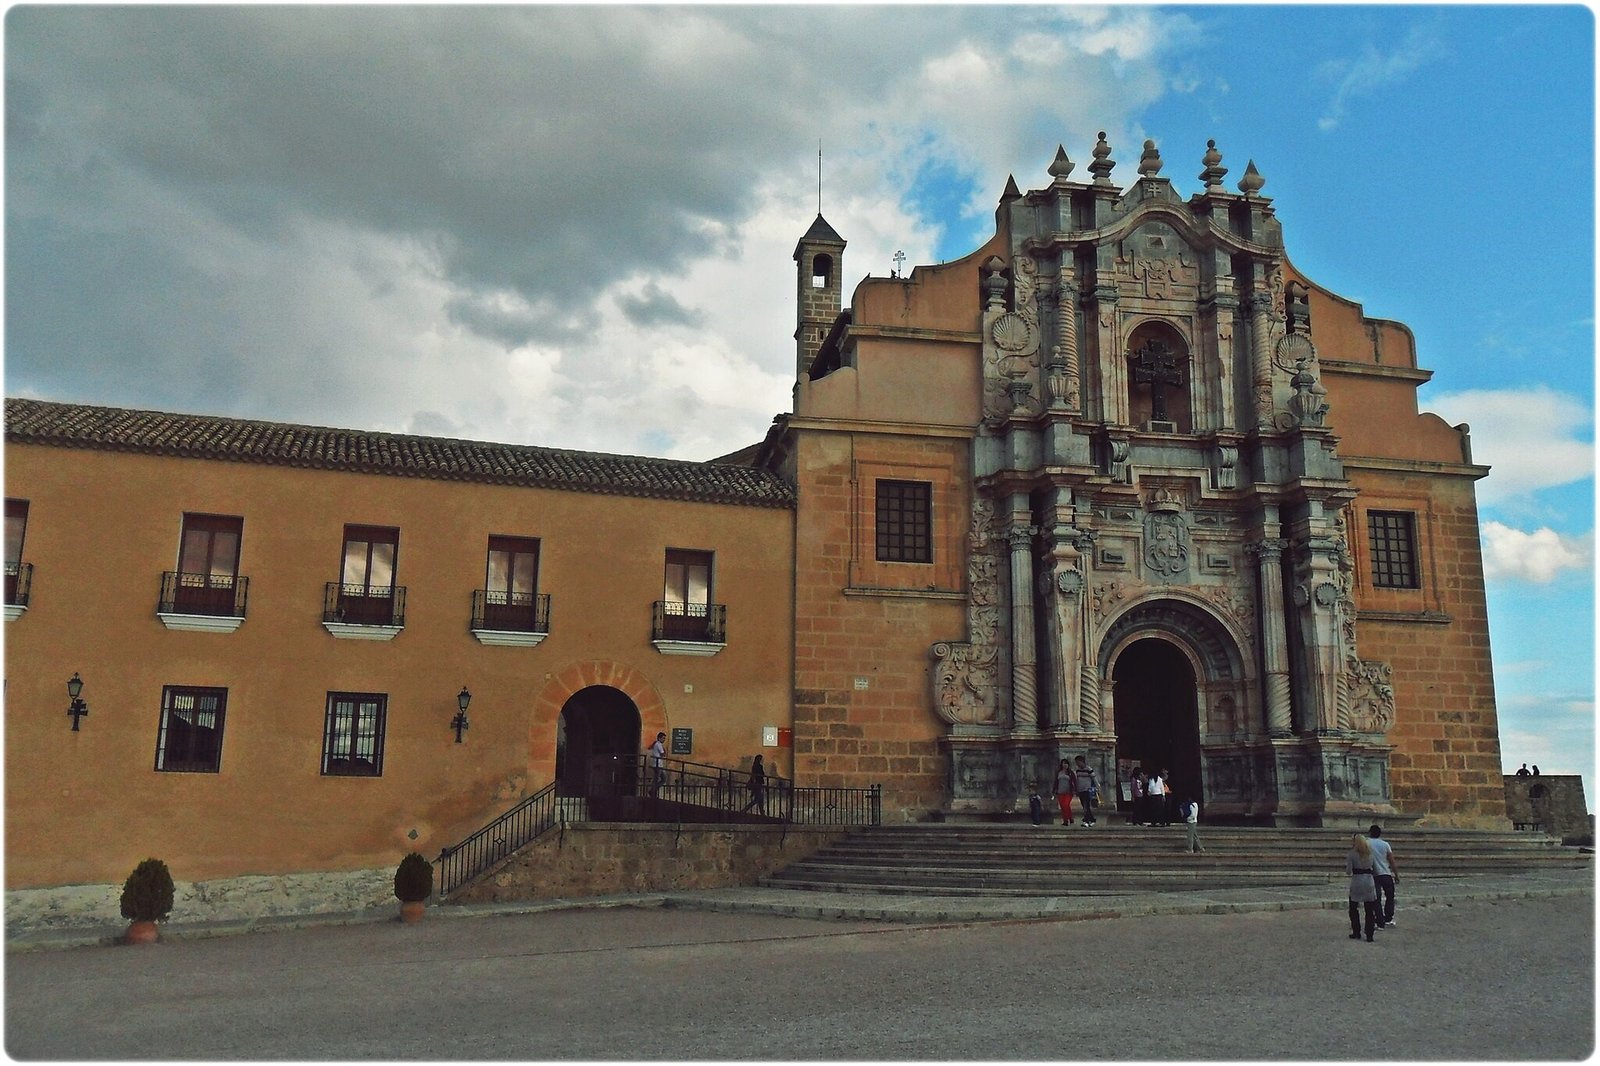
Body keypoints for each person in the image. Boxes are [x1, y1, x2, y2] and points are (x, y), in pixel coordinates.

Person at [1345, 833, 1379, 941]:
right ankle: (1369, 934)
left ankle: (1356, 931)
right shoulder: (1371, 854)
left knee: (1353, 908)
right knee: (1369, 910)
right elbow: (1376, 870)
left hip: (1357, 881)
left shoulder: (1351, 854)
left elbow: (1348, 871)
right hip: (1368, 881)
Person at [1367, 824, 1398, 928]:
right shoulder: (1385, 844)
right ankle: (1388, 917)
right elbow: (1391, 860)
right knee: (1390, 896)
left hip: (1374, 874)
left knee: (1377, 898)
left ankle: (1379, 920)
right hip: (1386, 873)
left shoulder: (1366, 843)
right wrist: (1396, 874)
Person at [1073, 755, 1098, 827]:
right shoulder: (1077, 770)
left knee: (1086, 805)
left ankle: (1086, 820)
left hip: (1087, 789)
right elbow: (1076, 779)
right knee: (1084, 806)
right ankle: (1092, 819)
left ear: (1082, 762)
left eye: (1078, 762)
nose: (1077, 764)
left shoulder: (1088, 769)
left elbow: (1094, 778)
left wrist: (1097, 787)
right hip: (1080, 790)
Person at [1053, 759, 1075, 826]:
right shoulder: (1059, 772)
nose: (1065, 765)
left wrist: (1075, 790)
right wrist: (1054, 790)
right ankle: (1066, 820)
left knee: (1066, 805)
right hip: (1060, 792)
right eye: (1063, 763)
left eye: (1066, 763)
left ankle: (1069, 818)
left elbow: (1074, 782)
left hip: (1068, 792)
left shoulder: (1071, 773)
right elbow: (1056, 782)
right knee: (1063, 807)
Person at [648, 731, 667, 796]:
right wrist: (664, 751)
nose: (664, 740)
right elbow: (663, 754)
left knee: (662, 779)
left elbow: (649, 748)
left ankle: (653, 790)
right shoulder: (659, 745)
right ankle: (652, 791)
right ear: (659, 738)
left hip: (657, 764)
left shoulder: (656, 744)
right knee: (660, 779)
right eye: (663, 738)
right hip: (658, 765)